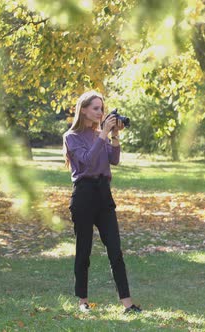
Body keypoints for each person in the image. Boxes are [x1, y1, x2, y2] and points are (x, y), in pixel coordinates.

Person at [62, 91, 141, 314]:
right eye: (96, 108)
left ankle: (127, 304)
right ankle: (82, 302)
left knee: (115, 250)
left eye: (102, 109)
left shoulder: (101, 133)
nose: (100, 113)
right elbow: (86, 161)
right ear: (84, 109)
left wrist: (114, 135)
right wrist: (103, 134)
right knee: (83, 250)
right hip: (84, 195)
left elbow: (113, 159)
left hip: (104, 195)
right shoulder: (71, 137)